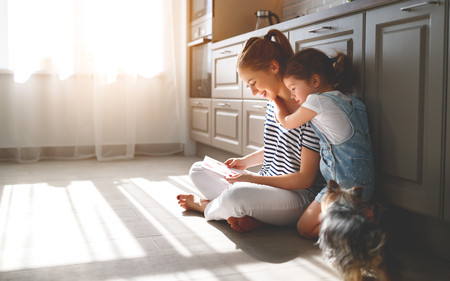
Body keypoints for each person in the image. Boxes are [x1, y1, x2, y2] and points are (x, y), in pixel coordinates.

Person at [177, 29, 326, 233]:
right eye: (249, 85)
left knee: (237, 195)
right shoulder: (273, 103)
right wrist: (245, 162)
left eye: (253, 83)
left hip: (297, 195)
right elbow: (277, 148)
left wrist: (252, 179)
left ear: (274, 67)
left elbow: (306, 179)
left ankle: (206, 206)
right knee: (198, 169)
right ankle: (254, 214)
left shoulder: (307, 107)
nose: (254, 92)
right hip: (268, 186)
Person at [273, 48, 375, 239]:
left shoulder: (316, 101)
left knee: (305, 228)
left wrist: (276, 103)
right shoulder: (352, 101)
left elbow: (286, 123)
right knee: (321, 221)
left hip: (343, 186)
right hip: (366, 184)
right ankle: (359, 215)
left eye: (293, 88)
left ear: (315, 81)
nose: (293, 96)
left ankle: (361, 219)